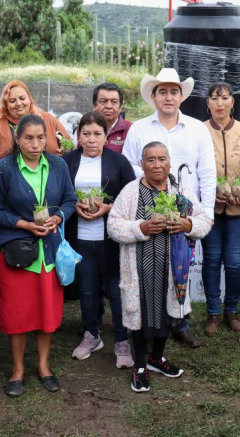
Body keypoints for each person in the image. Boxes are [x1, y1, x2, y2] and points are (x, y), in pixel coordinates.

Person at [122, 68, 217, 349]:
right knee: (148, 269)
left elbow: (208, 173)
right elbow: (128, 168)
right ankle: (145, 323)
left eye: (173, 91)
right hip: (146, 209)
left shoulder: (197, 129)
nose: (168, 97)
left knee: (180, 266)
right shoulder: (139, 128)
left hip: (184, 211)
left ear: (181, 97)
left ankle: (179, 323)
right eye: (162, 91)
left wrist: (206, 214)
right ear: (153, 96)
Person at [0, 114, 77, 395]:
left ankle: (44, 365)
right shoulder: (4, 169)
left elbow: (70, 200)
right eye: (28, 138)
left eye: (40, 138)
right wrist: (22, 223)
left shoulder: (58, 165)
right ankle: (18, 368)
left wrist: (58, 218)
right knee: (17, 314)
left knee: (46, 311)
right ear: (17, 140)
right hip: (16, 253)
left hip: (48, 252)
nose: (35, 144)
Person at [107, 142, 211, 393]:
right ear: (142, 164)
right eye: (150, 160)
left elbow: (204, 219)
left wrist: (187, 225)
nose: (157, 164)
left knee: (167, 312)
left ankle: (157, 358)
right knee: (141, 314)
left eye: (162, 159)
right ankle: (140, 365)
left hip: (171, 269)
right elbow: (113, 225)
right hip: (139, 268)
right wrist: (139, 228)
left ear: (170, 162)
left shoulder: (180, 192)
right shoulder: (131, 192)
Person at [62, 111, 136, 367]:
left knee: (115, 288)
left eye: (97, 134)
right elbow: (60, 196)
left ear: (106, 136)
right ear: (78, 135)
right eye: (86, 133)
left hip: (110, 238)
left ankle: (121, 339)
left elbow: (131, 198)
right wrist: (74, 207)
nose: (91, 139)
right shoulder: (67, 161)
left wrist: (109, 207)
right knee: (87, 288)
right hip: (80, 237)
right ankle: (92, 334)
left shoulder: (119, 162)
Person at [201, 82, 240, 336]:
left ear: (233, 101)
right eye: (215, 98)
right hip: (210, 210)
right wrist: (210, 193)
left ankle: (232, 309)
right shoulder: (199, 131)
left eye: (224, 98)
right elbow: (195, 169)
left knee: (235, 262)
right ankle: (213, 312)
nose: (220, 103)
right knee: (212, 260)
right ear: (208, 103)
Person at [0, 81, 71, 165]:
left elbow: (69, 146)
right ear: (6, 105)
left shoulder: (48, 119)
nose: (18, 103)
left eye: (22, 98)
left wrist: (65, 152)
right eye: (12, 101)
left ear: (30, 99)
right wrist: (5, 155)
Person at [92, 82, 132, 153]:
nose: (109, 106)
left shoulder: (131, 130)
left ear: (120, 108)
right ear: (94, 106)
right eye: (103, 101)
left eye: (114, 102)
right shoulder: (83, 129)